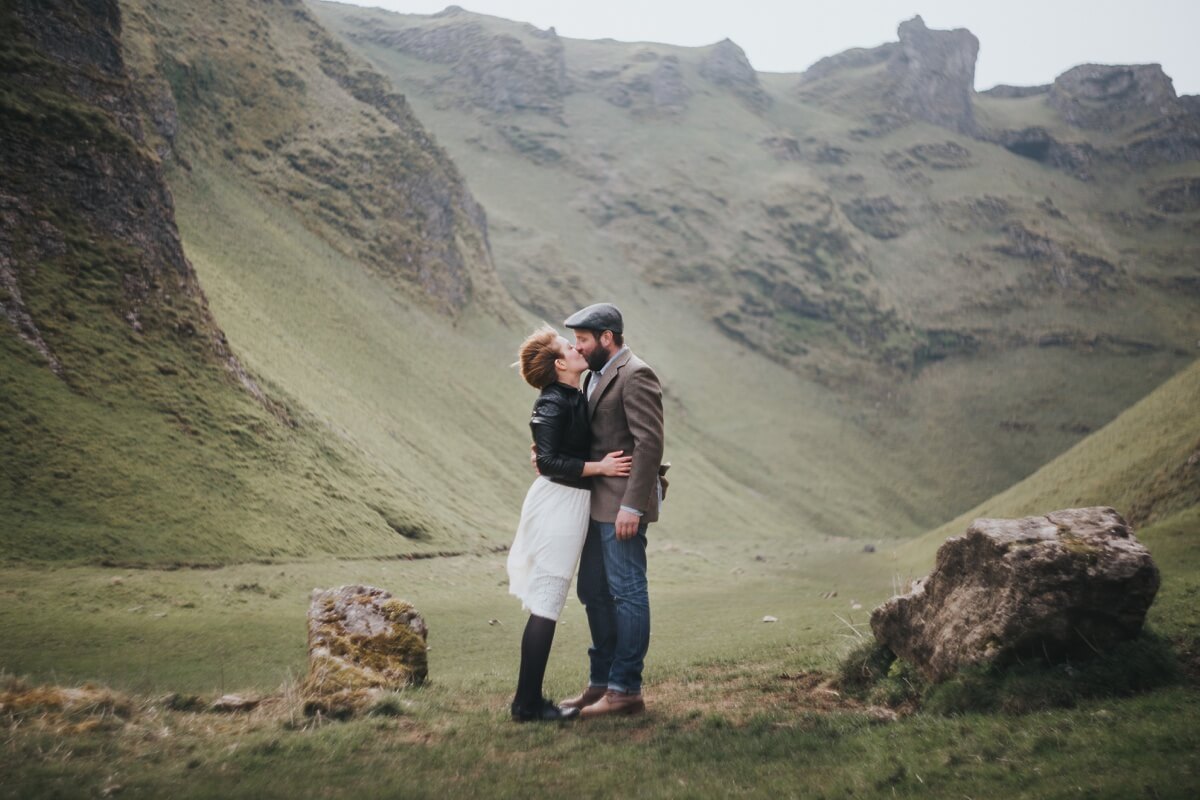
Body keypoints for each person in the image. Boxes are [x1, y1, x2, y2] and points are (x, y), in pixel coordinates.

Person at [508, 325, 632, 723]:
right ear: (561, 364)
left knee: (551, 600)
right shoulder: (551, 403)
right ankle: (526, 705)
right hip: (558, 506)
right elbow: (547, 462)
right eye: (569, 346)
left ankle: (527, 702)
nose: (578, 347)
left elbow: (554, 449)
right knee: (547, 601)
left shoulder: (570, 394)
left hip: (571, 504)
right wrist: (601, 467)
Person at [556, 303, 666, 719]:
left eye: (583, 340)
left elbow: (649, 444)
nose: (578, 348)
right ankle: (600, 683)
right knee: (593, 592)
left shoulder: (636, 374)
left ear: (607, 337)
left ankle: (625, 690)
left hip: (622, 507)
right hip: (595, 503)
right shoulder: (598, 375)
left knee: (628, 594)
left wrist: (632, 505)